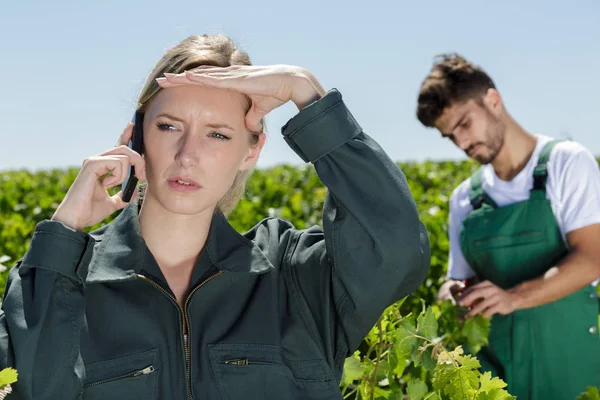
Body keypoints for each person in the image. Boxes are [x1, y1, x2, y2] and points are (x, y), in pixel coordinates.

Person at [0, 34, 430, 399]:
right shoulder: (60, 285)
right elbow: (30, 387)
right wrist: (63, 235)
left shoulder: (296, 278)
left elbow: (396, 249)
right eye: (169, 126)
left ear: (251, 150)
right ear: (136, 135)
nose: (188, 156)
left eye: (218, 134)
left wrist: (306, 93)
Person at [416, 53, 600, 400]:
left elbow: (592, 258)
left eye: (464, 125)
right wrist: (452, 292)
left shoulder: (566, 163)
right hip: (496, 377)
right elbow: (457, 276)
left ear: (493, 100)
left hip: (570, 370)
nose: (462, 144)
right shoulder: (464, 199)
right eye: (449, 137)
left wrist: (512, 298)